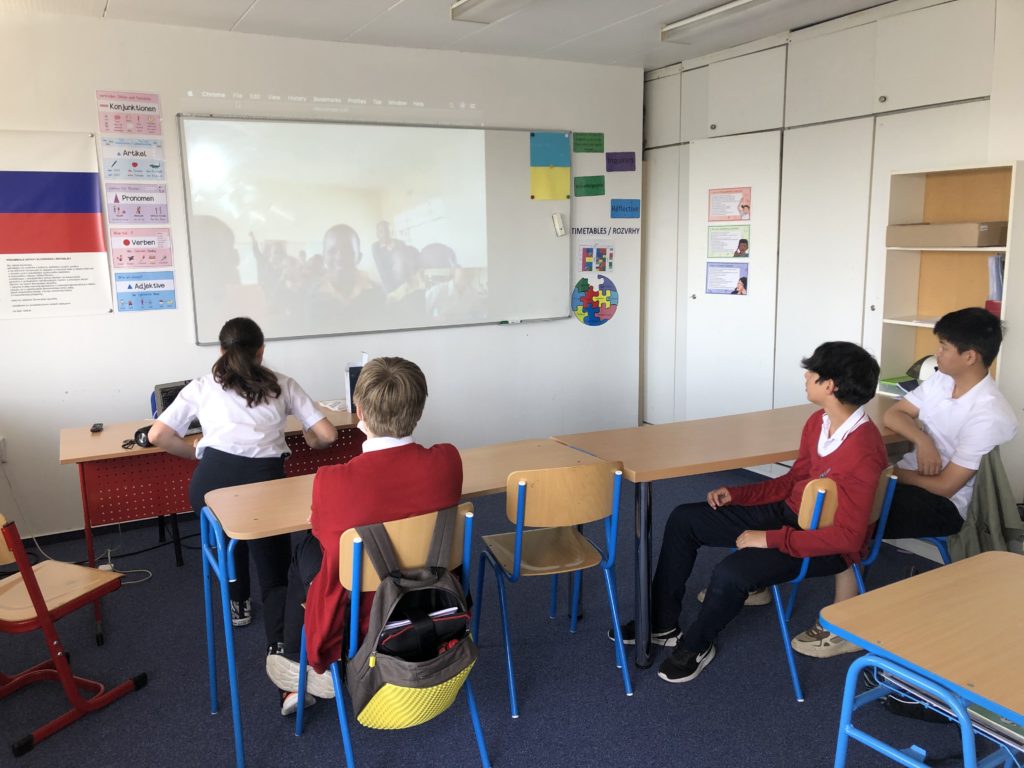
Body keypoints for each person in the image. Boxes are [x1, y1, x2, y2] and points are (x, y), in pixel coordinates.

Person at [614, 341, 887, 684]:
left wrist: (771, 539)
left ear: (829, 385)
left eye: (812, 372)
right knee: (685, 518)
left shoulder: (863, 451)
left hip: (824, 544)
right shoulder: (819, 422)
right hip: (791, 514)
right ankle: (662, 622)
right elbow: (793, 481)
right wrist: (738, 495)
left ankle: (696, 645)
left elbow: (849, 538)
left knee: (730, 573)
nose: (806, 376)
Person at [792, 307, 1018, 658]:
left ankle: (843, 624)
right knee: (819, 494)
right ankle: (764, 573)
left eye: (944, 347)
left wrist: (889, 473)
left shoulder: (989, 412)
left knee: (845, 510)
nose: (937, 354)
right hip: (910, 480)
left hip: (947, 505)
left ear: (970, 356)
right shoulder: (943, 380)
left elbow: (945, 486)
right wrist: (923, 441)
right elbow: (895, 414)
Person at [264, 357, 462, 715]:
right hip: (432, 599)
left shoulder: (333, 481)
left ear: (359, 412)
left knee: (305, 550)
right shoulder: (448, 461)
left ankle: (299, 660)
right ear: (419, 410)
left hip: (361, 615)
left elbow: (328, 542)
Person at [148, 317, 337, 645]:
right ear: (261, 351)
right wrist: (311, 439)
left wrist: (196, 452)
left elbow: (157, 435)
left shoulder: (201, 386)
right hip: (264, 483)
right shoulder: (283, 384)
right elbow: (328, 435)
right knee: (271, 555)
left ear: (221, 351)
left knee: (228, 533)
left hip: (210, 486)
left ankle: (238, 604)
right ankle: (279, 642)